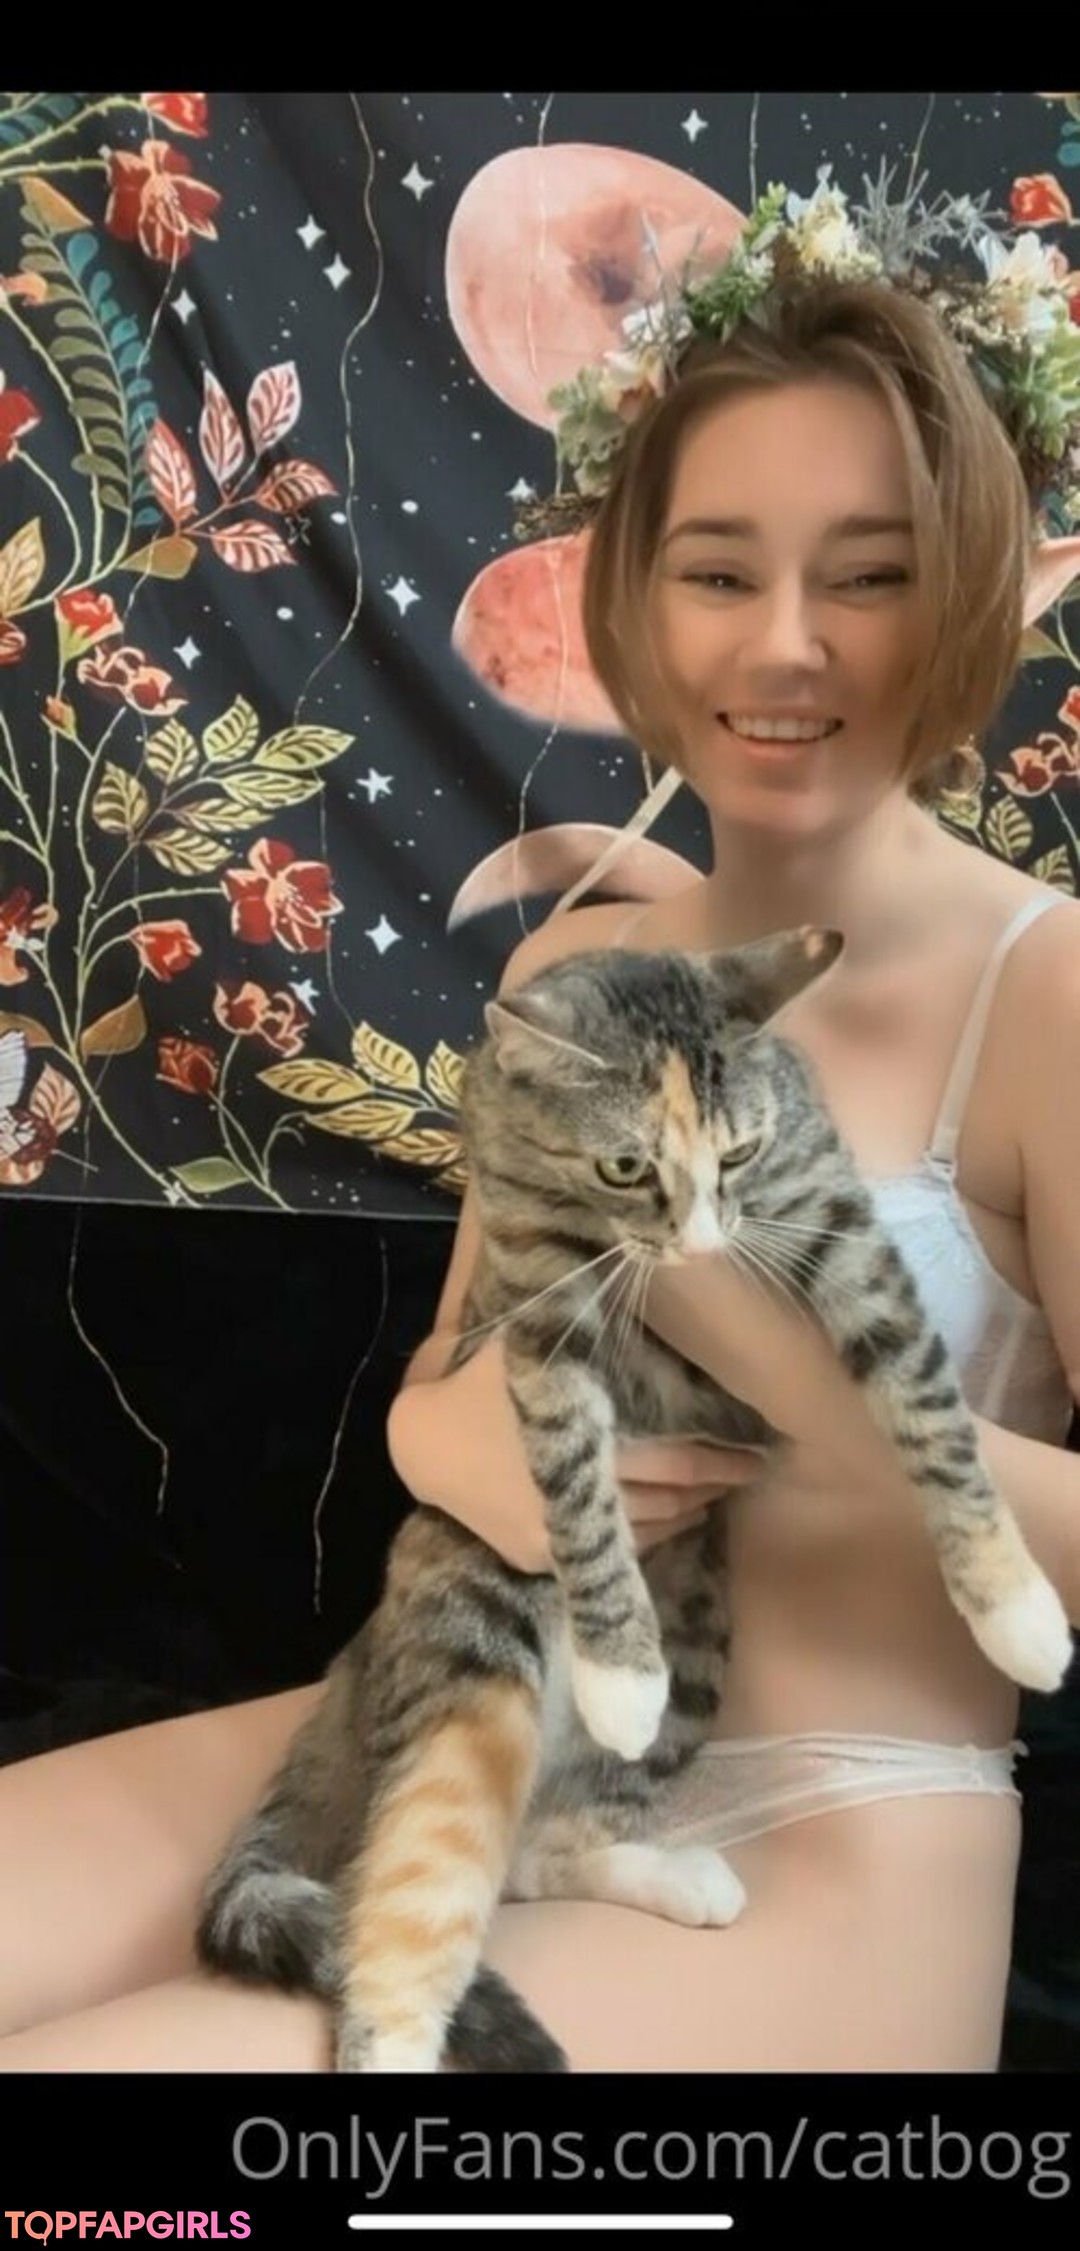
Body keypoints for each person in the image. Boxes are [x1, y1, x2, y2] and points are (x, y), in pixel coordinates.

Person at [2, 180, 1079, 2075]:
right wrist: (461, 1441)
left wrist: (778, 1347)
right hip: (479, 1720)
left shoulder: (1046, 995)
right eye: (721, 573)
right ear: (634, 595)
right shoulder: (575, 965)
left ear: (983, 589)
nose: (787, 647)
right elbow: (446, 1384)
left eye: (873, 575)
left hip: (835, 1843)